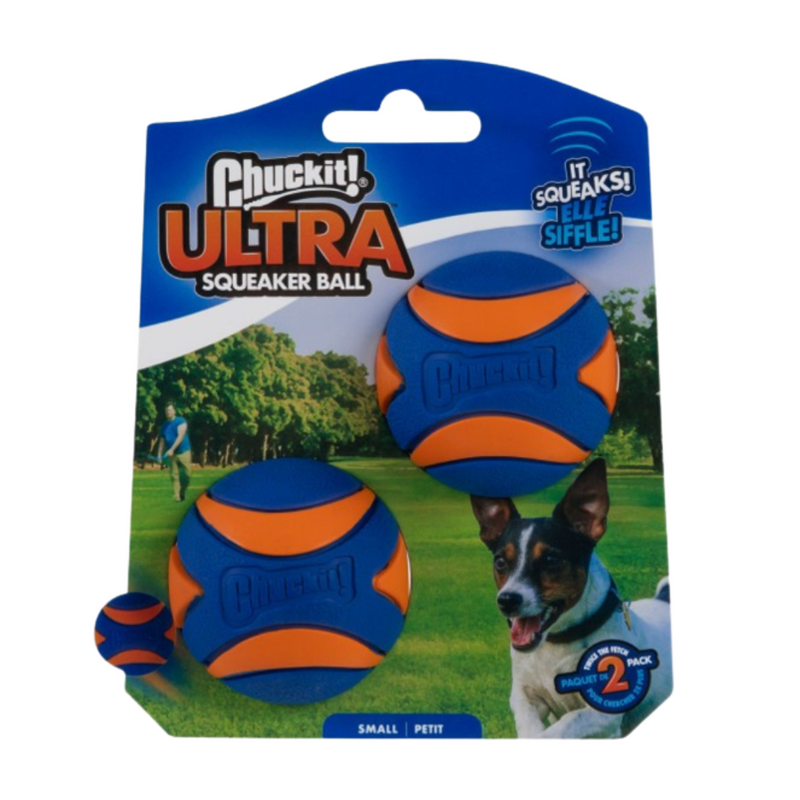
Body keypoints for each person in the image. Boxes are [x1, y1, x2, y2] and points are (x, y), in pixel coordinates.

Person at [157, 402, 192, 501]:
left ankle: (182, 491)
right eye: (166, 411)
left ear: (174, 411)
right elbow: (162, 441)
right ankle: (177, 495)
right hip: (172, 455)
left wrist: (171, 449)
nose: (168, 412)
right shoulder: (164, 425)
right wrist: (159, 455)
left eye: (170, 410)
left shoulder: (181, 422)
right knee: (174, 475)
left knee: (187, 474)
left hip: (183, 451)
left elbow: (180, 437)